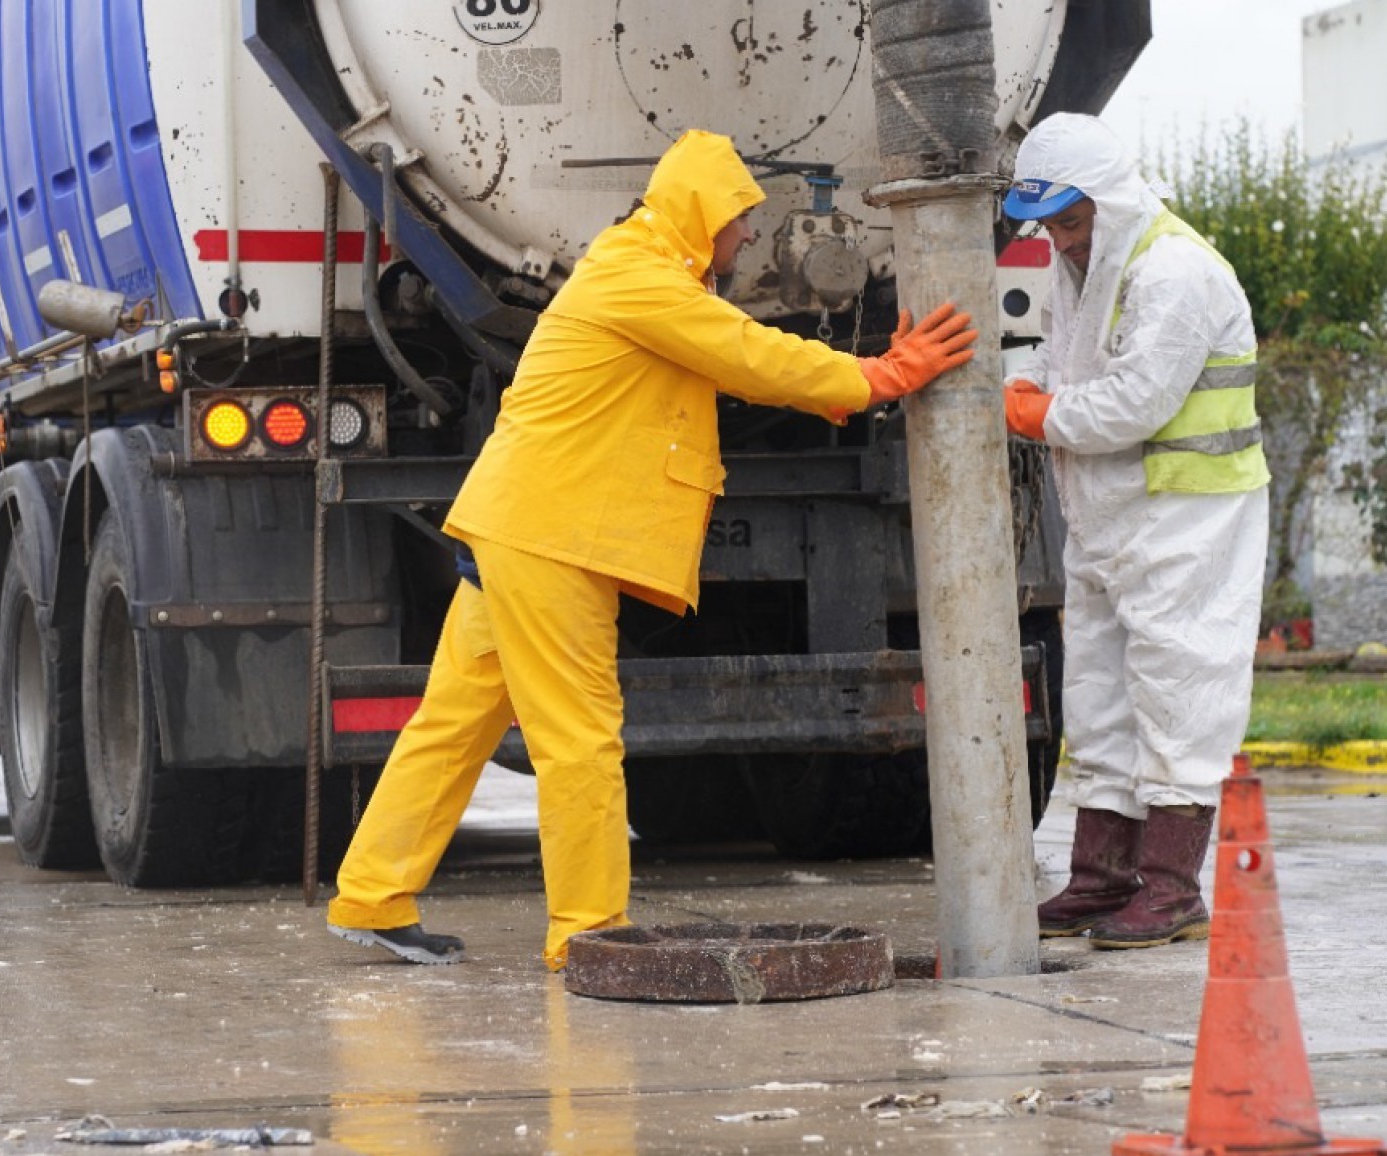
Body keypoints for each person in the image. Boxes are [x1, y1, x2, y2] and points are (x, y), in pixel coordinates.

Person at [327, 128, 978, 971]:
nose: (748, 235)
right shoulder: (640, 276)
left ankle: (373, 893)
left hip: (525, 525)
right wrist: (876, 377)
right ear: (701, 214)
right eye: (739, 220)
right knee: (581, 737)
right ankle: (589, 932)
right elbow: (748, 354)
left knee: (456, 720)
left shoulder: (639, 269)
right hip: (550, 536)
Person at [999, 113, 1268, 950]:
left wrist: (1037, 415)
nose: (1060, 239)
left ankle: (1171, 890)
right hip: (1111, 513)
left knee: (1179, 692)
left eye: (1070, 221)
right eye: (1049, 225)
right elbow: (1061, 359)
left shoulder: (1175, 271)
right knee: (1100, 696)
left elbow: (1135, 401)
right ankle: (1101, 879)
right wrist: (1025, 387)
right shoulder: (1087, 265)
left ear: (1109, 202)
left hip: (1187, 518)